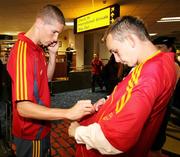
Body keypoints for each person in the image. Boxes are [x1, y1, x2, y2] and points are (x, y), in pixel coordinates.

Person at [68, 16, 177, 157]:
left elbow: (116, 138)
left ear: (131, 40)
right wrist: (108, 100)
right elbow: (130, 90)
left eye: (115, 51)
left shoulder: (150, 73)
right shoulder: (158, 62)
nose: (117, 59)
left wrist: (77, 131)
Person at [7, 5, 95, 157]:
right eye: (54, 32)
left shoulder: (38, 49)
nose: (56, 38)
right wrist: (68, 112)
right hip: (31, 132)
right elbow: (23, 108)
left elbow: (46, 79)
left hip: (43, 124)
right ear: (40, 23)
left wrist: (52, 55)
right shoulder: (22, 51)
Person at [148, 36, 180, 157]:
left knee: (156, 138)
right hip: (160, 102)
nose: (158, 50)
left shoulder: (173, 65)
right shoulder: (162, 63)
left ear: (170, 48)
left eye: (161, 47)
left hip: (164, 104)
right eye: (156, 47)